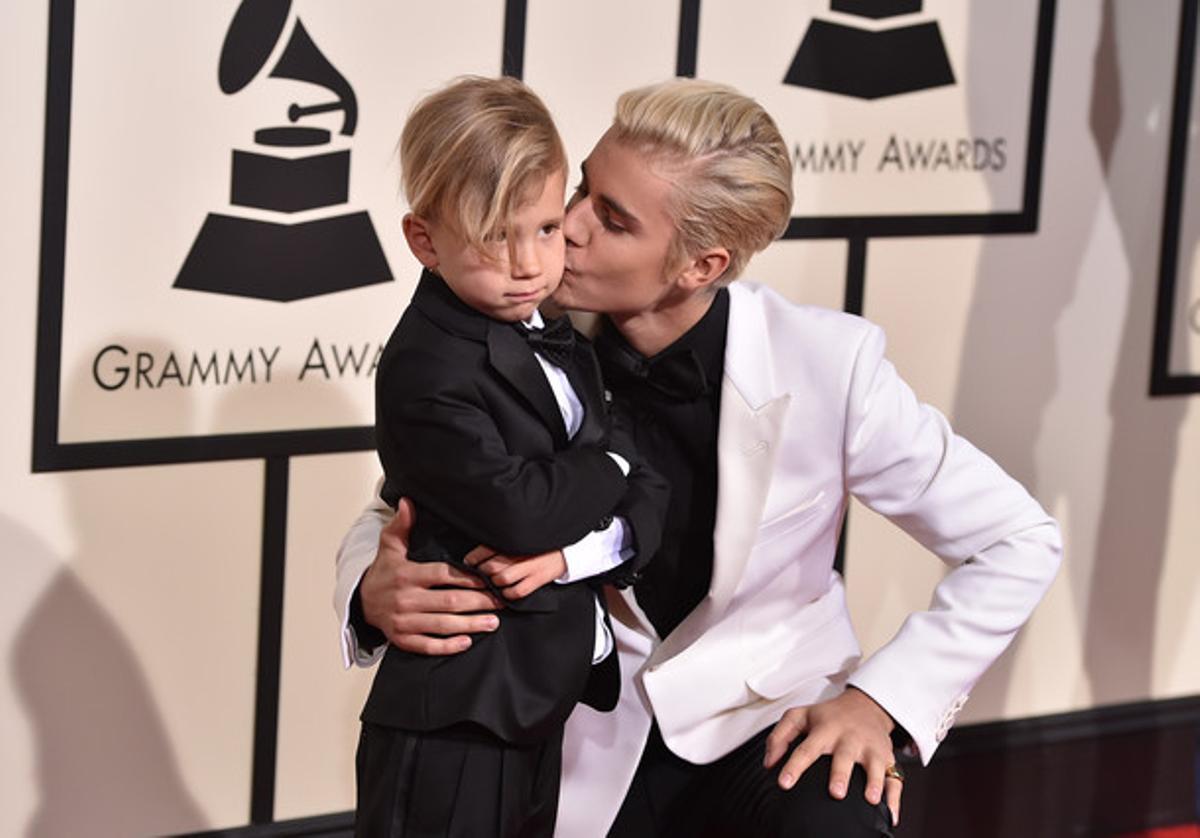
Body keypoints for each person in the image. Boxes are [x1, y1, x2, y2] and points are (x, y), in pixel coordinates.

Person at [336, 78, 1062, 838]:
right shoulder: (515, 320)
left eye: (612, 220)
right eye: (582, 188)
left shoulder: (827, 365)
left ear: (699, 267)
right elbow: (404, 500)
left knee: (838, 817)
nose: (568, 227)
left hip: (763, 722)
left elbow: (1017, 540)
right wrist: (370, 590)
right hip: (578, 729)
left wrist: (881, 702)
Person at [355, 75, 668, 837]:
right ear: (424, 240)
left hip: (534, 703)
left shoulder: (554, 327)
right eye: (498, 236)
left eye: (546, 229)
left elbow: (647, 496)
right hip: (457, 712)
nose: (530, 263)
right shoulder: (429, 368)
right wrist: (614, 465)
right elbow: (524, 512)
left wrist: (590, 523)